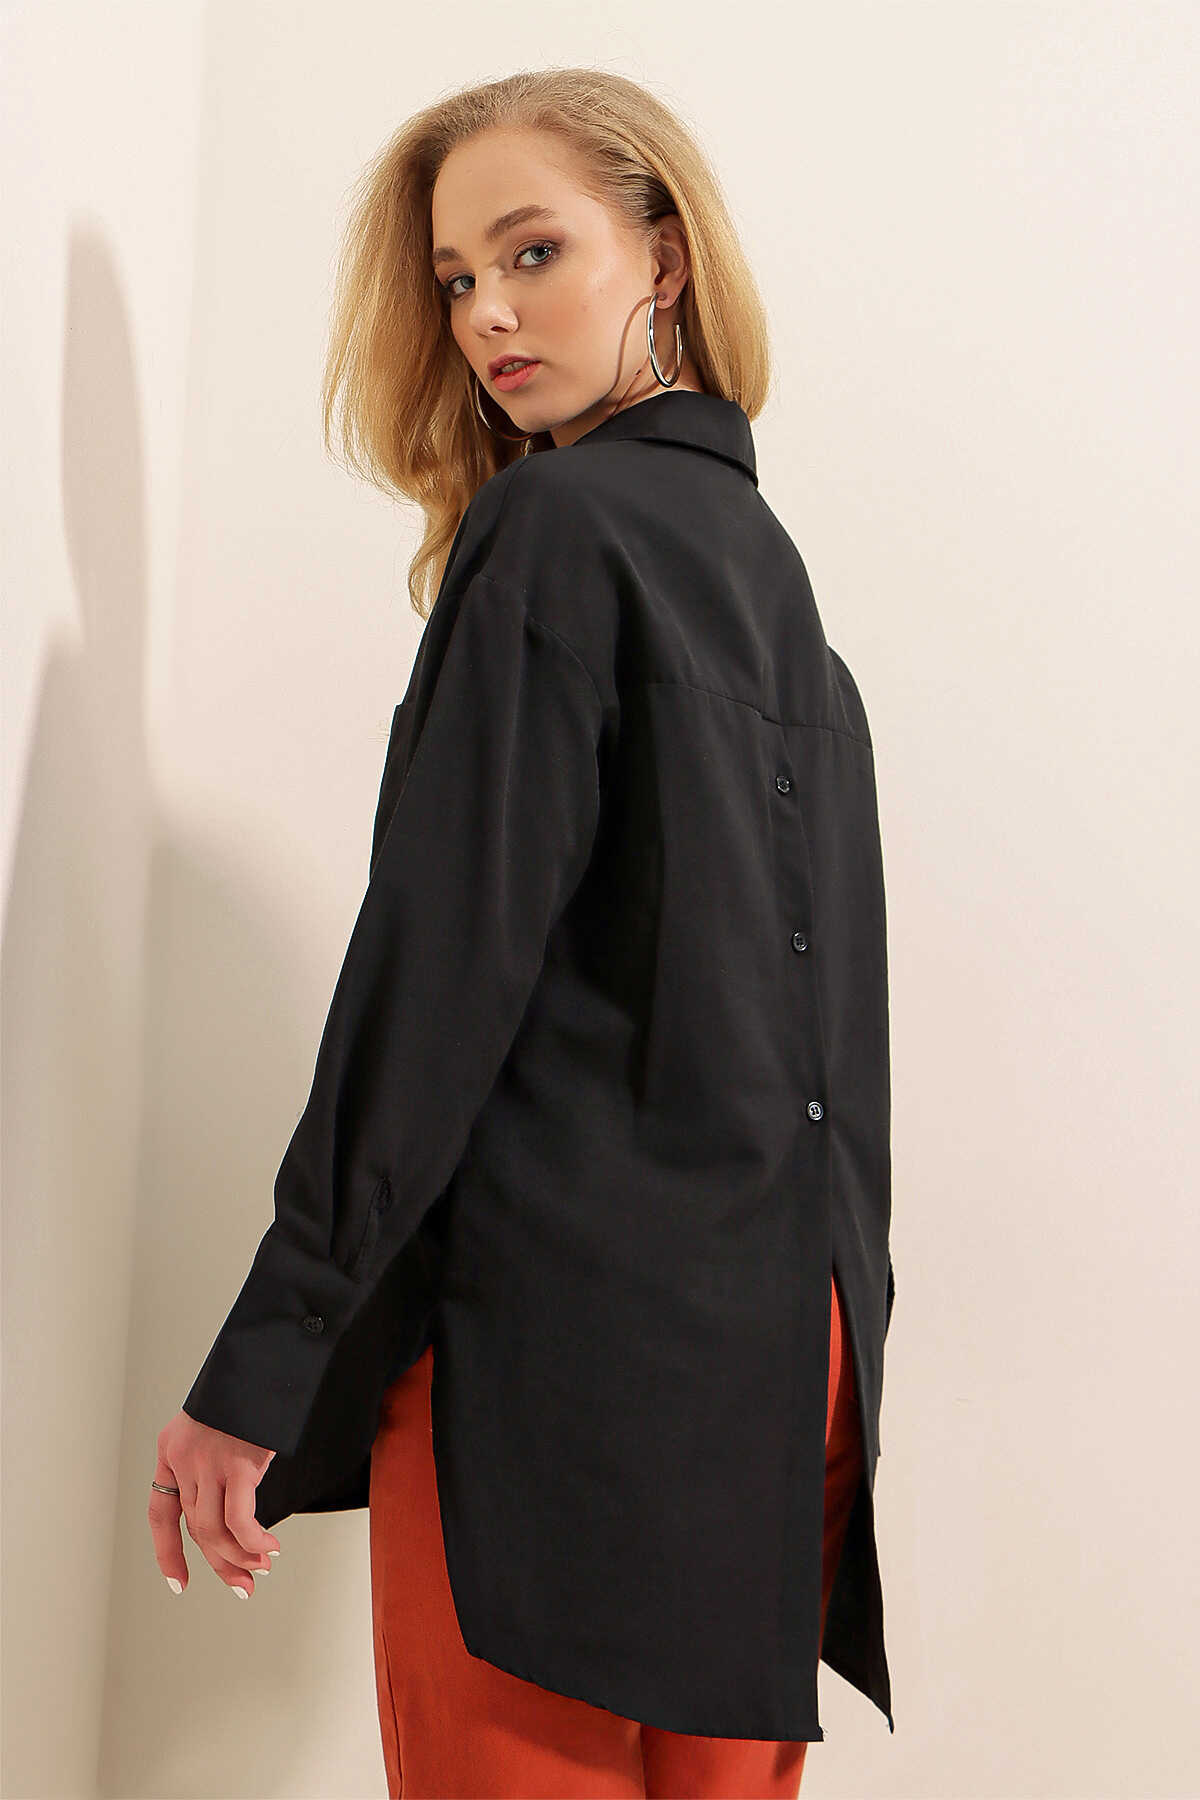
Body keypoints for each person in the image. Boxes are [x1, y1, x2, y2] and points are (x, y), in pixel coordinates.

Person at [149, 67, 897, 1799]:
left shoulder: (555, 530)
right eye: (456, 279)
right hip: (787, 1357)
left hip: (563, 1354)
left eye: (532, 251)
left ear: (665, 257)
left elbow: (435, 983)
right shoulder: (784, 596)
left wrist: (266, 1360)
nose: (486, 311)